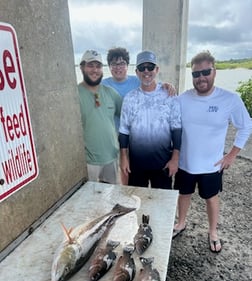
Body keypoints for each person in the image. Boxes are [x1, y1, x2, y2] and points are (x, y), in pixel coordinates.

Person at [173, 50, 252, 253]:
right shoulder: (182, 99)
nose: (201, 78)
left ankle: (213, 231)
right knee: (184, 194)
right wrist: (166, 89)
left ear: (214, 72)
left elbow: (246, 125)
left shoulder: (230, 99)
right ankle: (181, 223)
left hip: (212, 165)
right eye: (196, 74)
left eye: (205, 72)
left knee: (211, 197)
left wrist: (232, 154)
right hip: (185, 163)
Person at [118, 50, 182, 189]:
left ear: (157, 69)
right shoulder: (130, 98)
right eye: (142, 67)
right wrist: (123, 158)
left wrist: (175, 159)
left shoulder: (169, 95)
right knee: (136, 202)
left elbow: (176, 129)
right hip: (136, 164)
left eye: (150, 67)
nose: (146, 71)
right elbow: (124, 131)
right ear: (136, 72)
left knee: (162, 205)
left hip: (163, 164)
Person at [78, 50, 122, 184]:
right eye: (90, 65)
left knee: (112, 200)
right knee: (88, 202)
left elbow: (128, 116)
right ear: (81, 67)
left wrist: (161, 86)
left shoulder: (111, 93)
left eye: (98, 66)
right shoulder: (74, 94)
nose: (95, 70)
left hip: (112, 158)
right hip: (87, 161)